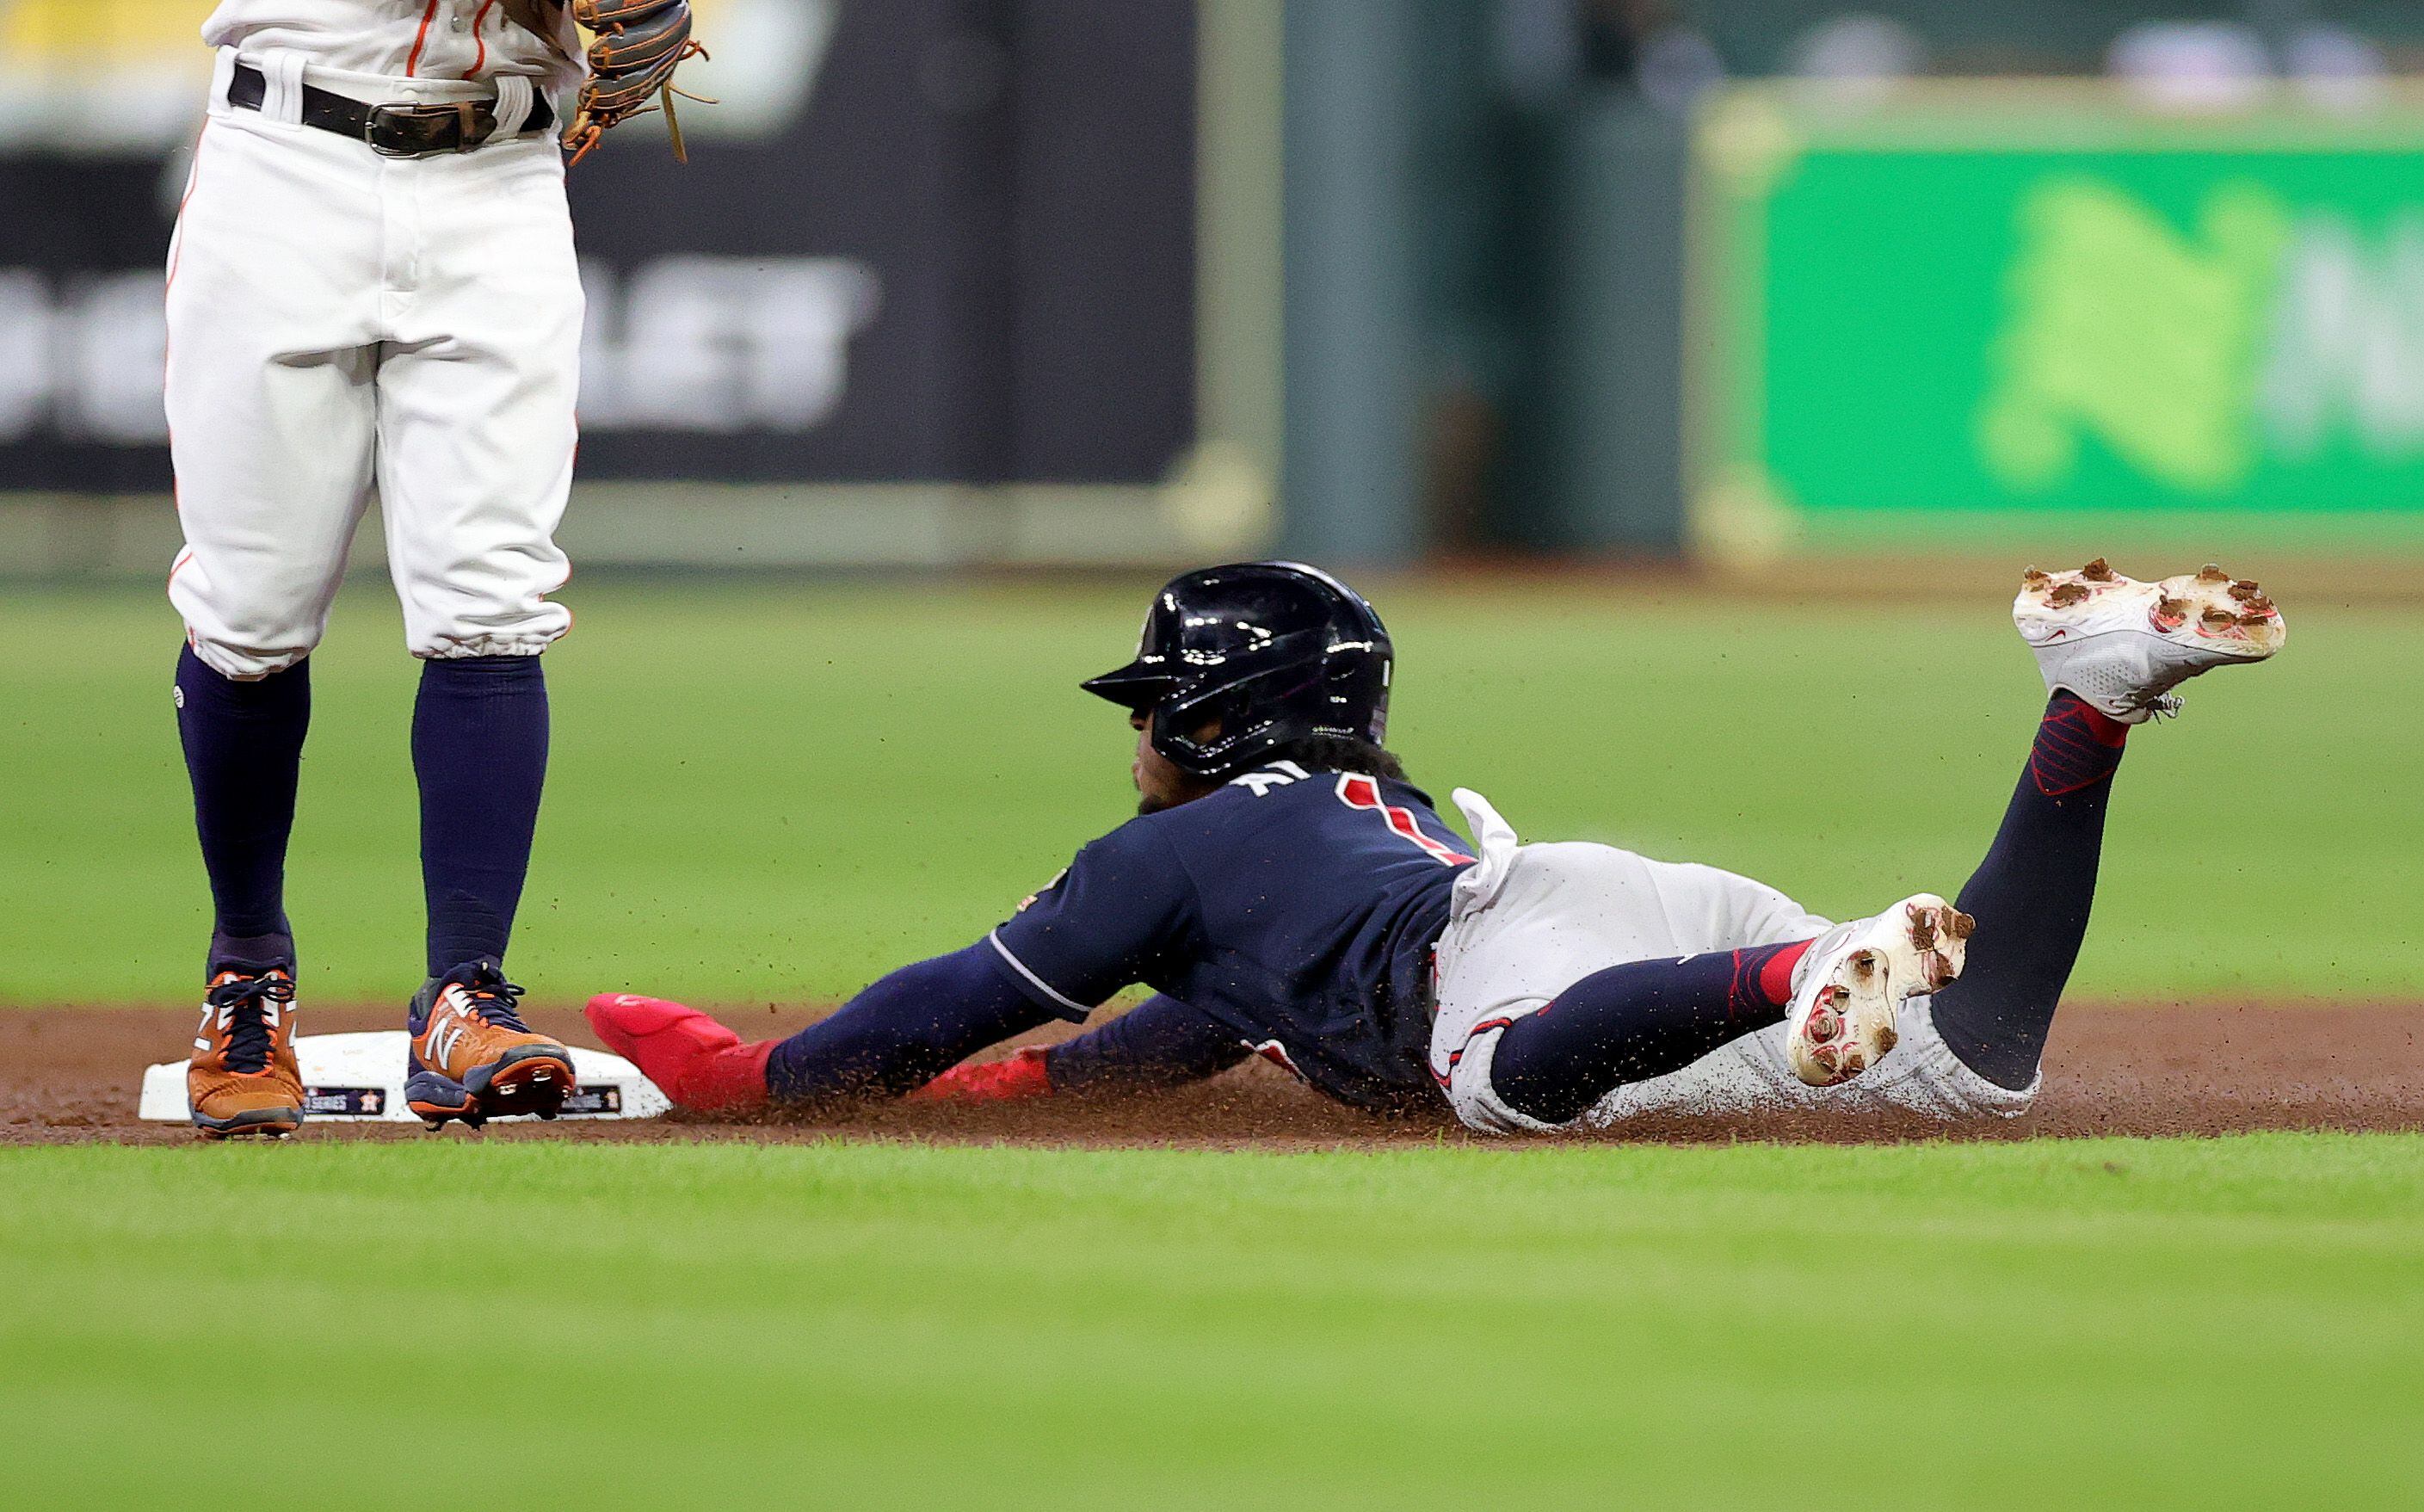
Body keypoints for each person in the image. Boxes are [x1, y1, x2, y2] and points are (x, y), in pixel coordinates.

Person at [585, 559, 2284, 1133]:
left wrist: (748, 1081)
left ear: (1209, 715)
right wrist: (983, 1104)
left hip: (1515, 964)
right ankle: (2088, 705)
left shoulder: (1168, 859)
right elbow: (1161, 1048)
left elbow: (924, 1020)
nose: (1130, 741)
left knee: (1498, 1093)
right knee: (1972, 1064)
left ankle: (1787, 971)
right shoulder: (1341, 832)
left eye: (1146, 706)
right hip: (1613, 903)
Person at [174, 0, 699, 1139]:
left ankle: (467, 994)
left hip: (497, 177)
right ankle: (247, 976)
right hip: (286, 163)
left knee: (492, 594)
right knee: (251, 609)